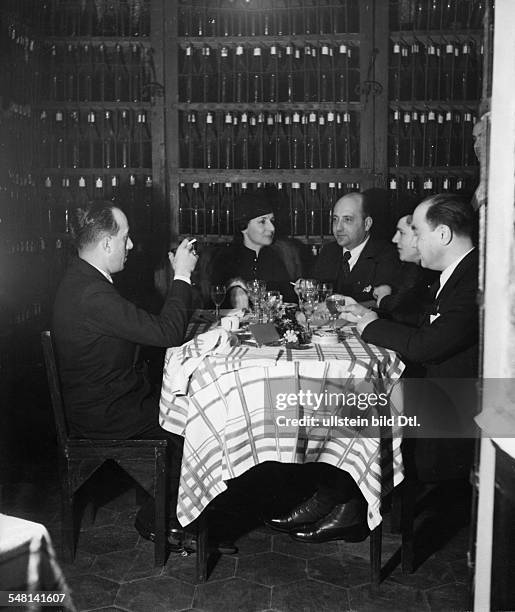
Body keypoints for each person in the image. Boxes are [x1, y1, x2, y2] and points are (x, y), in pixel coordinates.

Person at [52, 201, 198, 548]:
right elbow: (168, 334)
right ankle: (160, 521)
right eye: (126, 238)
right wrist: (182, 274)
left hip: (102, 401)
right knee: (197, 426)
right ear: (106, 244)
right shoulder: (93, 294)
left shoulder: (82, 279)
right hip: (107, 415)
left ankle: (166, 509)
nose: (130, 246)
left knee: (188, 408)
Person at [211, 191, 301, 307]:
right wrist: (234, 288)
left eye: (272, 221)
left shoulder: (280, 255)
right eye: (262, 221)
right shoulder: (225, 259)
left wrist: (298, 292)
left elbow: (288, 300)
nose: (272, 228)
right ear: (243, 227)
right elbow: (212, 300)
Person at [312, 192, 401, 305]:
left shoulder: (386, 255)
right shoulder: (328, 251)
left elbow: (382, 305)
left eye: (347, 219)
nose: (338, 228)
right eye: (335, 219)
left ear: (367, 224)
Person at [373, 211, 439, 323]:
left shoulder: (434, 274)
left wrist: (383, 297)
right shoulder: (411, 267)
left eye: (401, 233)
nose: (394, 239)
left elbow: (404, 314)